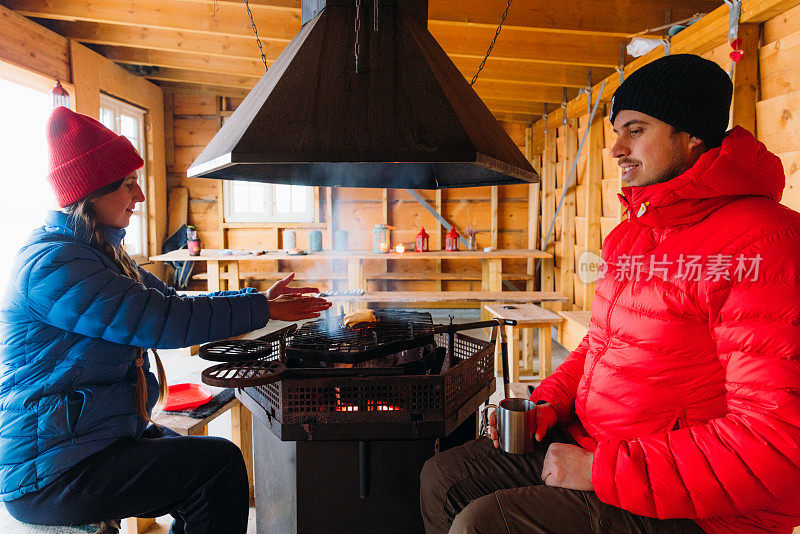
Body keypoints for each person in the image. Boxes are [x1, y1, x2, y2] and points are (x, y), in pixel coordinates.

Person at [420, 54, 800, 534]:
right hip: (601, 443)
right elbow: (600, 346)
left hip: (705, 505)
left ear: (692, 135)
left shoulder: (766, 242)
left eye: (635, 130)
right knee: (445, 477)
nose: (617, 148)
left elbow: (774, 441)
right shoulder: (631, 236)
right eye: (616, 132)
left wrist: (600, 470)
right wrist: (549, 402)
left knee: (486, 525)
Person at [0, 106, 331, 533]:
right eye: (129, 184)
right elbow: (161, 320)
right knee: (218, 468)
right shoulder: (54, 265)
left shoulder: (98, 252)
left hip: (93, 438)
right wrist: (260, 309)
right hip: (50, 468)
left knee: (207, 471)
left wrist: (257, 299)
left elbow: (171, 301)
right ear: (91, 194)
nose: (139, 196)